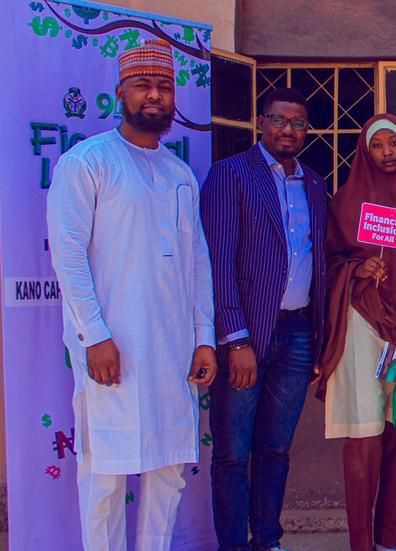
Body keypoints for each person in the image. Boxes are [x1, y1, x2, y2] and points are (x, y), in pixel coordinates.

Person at [46, 39, 217, 551]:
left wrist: (204, 338)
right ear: (120, 92)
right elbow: (69, 256)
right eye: (143, 85)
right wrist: (94, 335)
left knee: (168, 474)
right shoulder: (88, 163)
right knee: (104, 478)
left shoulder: (179, 173)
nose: (155, 96)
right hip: (112, 349)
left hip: (172, 353)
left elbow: (197, 264)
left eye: (164, 86)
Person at [201, 87, 328, 551]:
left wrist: (321, 336)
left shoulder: (314, 184)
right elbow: (218, 262)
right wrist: (235, 340)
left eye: (298, 123)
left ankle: (267, 540)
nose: (288, 130)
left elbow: (320, 264)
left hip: (297, 335)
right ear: (261, 122)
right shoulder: (229, 175)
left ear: (307, 130)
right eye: (279, 120)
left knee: (275, 450)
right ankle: (233, 544)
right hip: (247, 333)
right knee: (234, 454)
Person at [319, 114, 396, 551]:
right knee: (363, 434)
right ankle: (360, 544)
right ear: (365, 151)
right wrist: (357, 268)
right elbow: (325, 266)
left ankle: (389, 542)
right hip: (361, 326)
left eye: (394, 144)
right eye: (378, 145)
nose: (387, 152)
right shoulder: (345, 202)